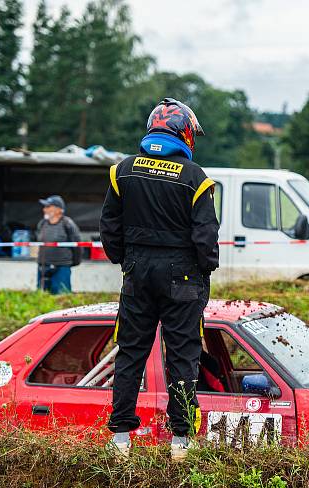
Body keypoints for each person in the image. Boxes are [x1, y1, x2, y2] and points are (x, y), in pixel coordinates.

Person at [100, 97, 219, 460]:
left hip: (137, 273)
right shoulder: (196, 177)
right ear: (183, 131)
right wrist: (204, 269)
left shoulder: (120, 171)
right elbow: (206, 238)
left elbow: (108, 228)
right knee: (182, 356)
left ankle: (120, 436)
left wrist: (128, 260)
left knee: (130, 353)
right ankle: (180, 441)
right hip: (182, 276)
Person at [36, 195, 81, 294]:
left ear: (58, 210)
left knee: (62, 298)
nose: (44, 210)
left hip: (62, 267)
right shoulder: (42, 223)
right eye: (44, 207)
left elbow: (77, 245)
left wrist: (74, 262)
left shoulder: (68, 224)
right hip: (43, 267)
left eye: (48, 207)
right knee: (41, 298)